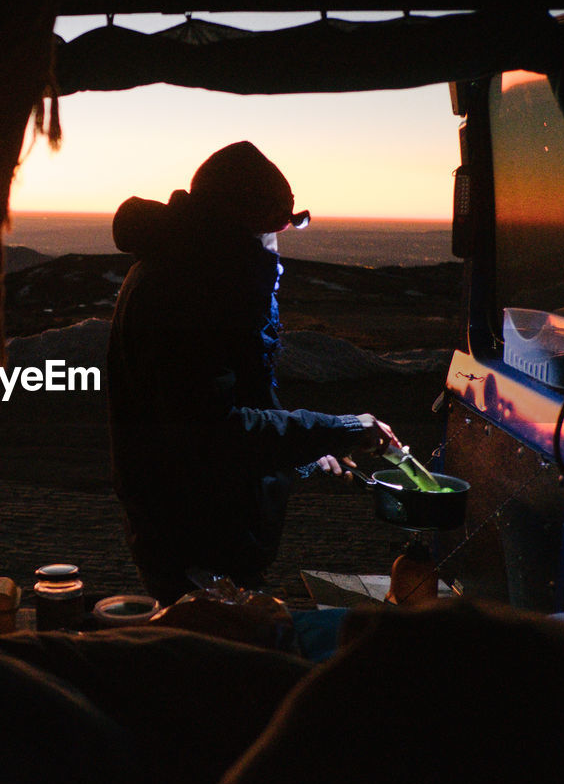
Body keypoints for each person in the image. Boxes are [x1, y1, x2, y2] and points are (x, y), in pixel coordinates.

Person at [106, 141, 402, 605]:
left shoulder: (199, 276)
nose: (277, 246)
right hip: (194, 539)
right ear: (234, 230)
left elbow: (243, 397)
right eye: (273, 228)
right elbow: (215, 433)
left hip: (211, 527)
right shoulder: (189, 296)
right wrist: (340, 429)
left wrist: (305, 451)